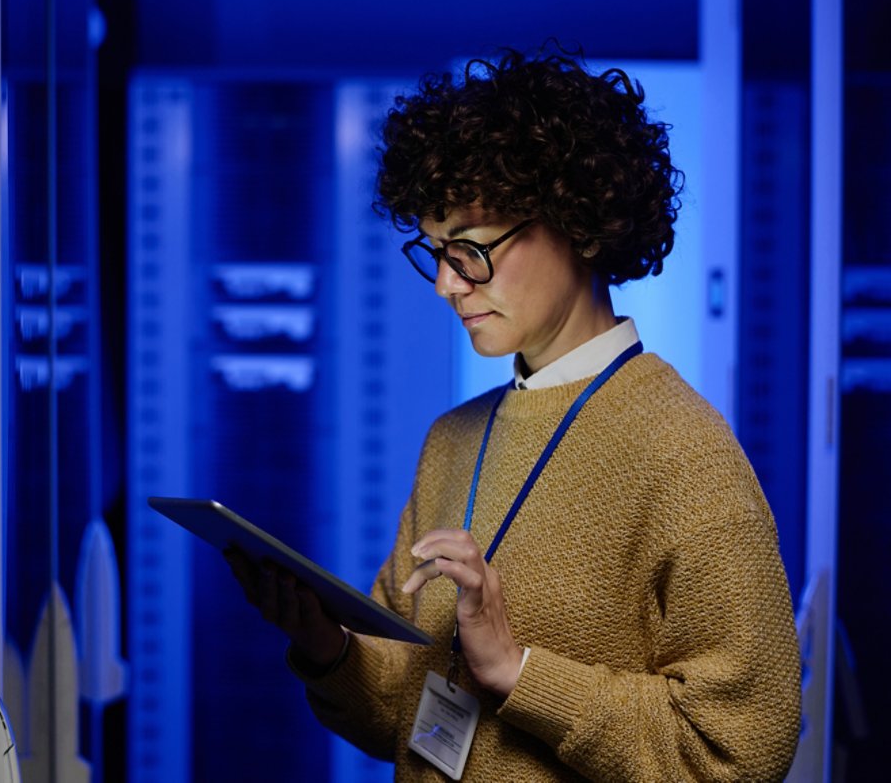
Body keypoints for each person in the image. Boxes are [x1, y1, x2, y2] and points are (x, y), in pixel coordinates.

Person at [226, 46, 801, 781]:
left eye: (470, 250)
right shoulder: (453, 440)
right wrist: (327, 647)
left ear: (578, 224)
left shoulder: (687, 455)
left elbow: (742, 750)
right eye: (433, 251)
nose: (445, 284)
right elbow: (405, 713)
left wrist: (520, 670)